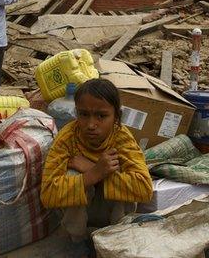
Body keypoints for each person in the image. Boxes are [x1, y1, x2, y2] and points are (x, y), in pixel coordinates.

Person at [40, 79, 153, 248]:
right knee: (72, 175)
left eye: (101, 116)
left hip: (113, 215)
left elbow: (144, 189)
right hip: (79, 218)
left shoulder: (122, 138)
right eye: (84, 115)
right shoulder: (67, 138)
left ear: (116, 117)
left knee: (122, 170)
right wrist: (91, 176)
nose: (91, 125)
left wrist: (94, 172)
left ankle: (115, 241)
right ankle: (77, 243)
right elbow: (48, 194)